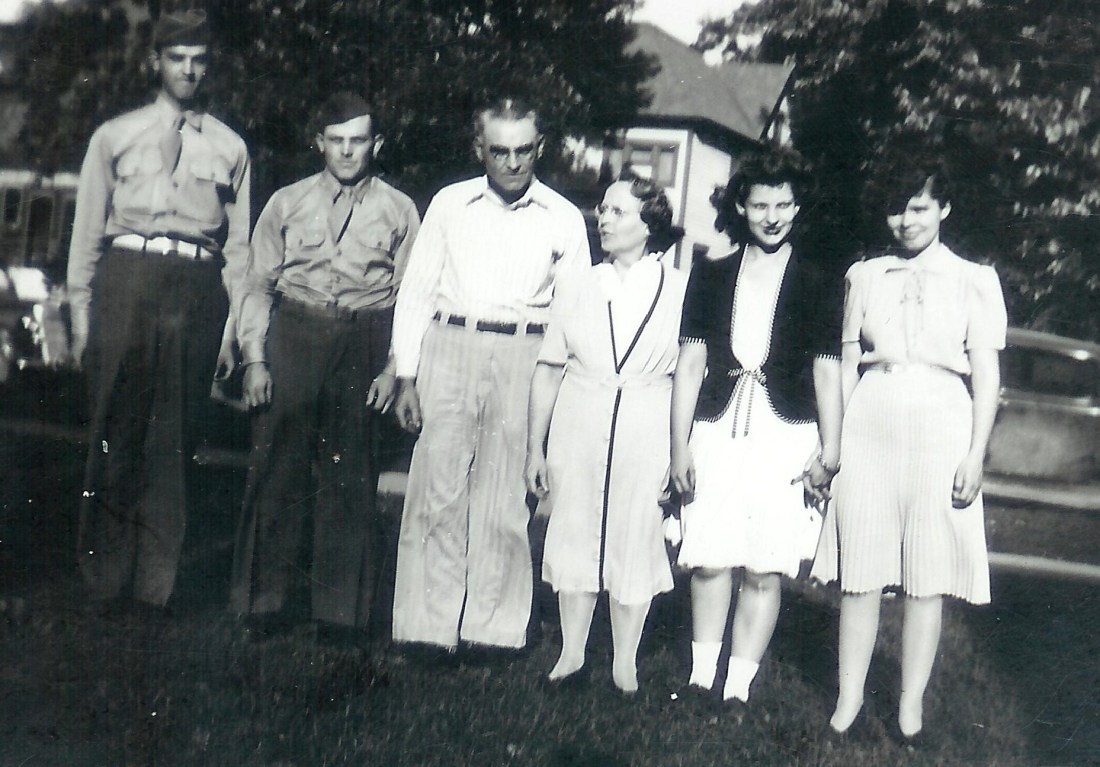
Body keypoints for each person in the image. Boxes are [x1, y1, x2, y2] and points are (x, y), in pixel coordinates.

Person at [811, 144, 1006, 744]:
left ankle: (910, 708)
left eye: (919, 208)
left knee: (927, 571)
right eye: (897, 211)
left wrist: (975, 454)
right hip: (873, 418)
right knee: (861, 568)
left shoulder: (973, 279)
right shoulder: (864, 275)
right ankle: (847, 701)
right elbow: (847, 363)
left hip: (941, 422)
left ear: (943, 207)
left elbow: (987, 375)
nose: (907, 221)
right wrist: (833, 443)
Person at [390, 97, 591, 653]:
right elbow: (417, 292)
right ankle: (428, 627)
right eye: (498, 150)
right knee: (438, 487)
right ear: (479, 148)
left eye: (523, 150)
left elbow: (575, 316)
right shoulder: (450, 205)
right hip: (450, 344)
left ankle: (493, 629)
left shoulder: (564, 218)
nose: (511, 162)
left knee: (506, 498)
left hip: (526, 353)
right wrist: (407, 374)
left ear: (540, 149)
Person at [69, 9, 251, 611]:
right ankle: (103, 582)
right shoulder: (115, 136)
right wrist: (79, 312)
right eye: (177, 58)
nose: (189, 70)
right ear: (157, 62)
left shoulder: (231, 147)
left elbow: (240, 249)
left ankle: (155, 589)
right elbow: (87, 234)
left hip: (196, 287)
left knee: (174, 441)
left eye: (199, 60)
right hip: (128, 279)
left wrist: (234, 330)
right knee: (113, 432)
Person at [228, 93, 419, 644]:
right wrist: (255, 360)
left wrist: (393, 368)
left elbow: (410, 298)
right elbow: (258, 286)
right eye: (336, 140)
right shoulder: (287, 203)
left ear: (375, 145)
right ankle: (262, 605)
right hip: (296, 332)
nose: (347, 151)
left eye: (358, 140)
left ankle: (341, 615)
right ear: (319, 143)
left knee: (351, 475)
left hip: (364, 339)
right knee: (277, 468)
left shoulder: (400, 210)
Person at [670, 148, 842, 711]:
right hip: (718, 426)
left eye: (784, 204)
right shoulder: (713, 273)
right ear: (741, 205)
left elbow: (825, 369)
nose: (772, 216)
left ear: (798, 207)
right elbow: (691, 365)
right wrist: (678, 449)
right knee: (711, 556)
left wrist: (830, 450)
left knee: (766, 564)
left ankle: (738, 687)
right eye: (761, 203)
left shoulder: (817, 280)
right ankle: (700, 679)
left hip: (785, 432)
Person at [525, 177, 686, 694]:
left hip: (647, 417)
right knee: (576, 524)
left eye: (618, 211)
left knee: (637, 530)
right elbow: (550, 366)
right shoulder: (577, 283)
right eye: (603, 209)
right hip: (581, 412)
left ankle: (625, 660)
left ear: (650, 223)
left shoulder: (680, 288)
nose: (604, 219)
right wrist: (535, 446)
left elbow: (692, 374)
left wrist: (681, 448)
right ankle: (572, 652)